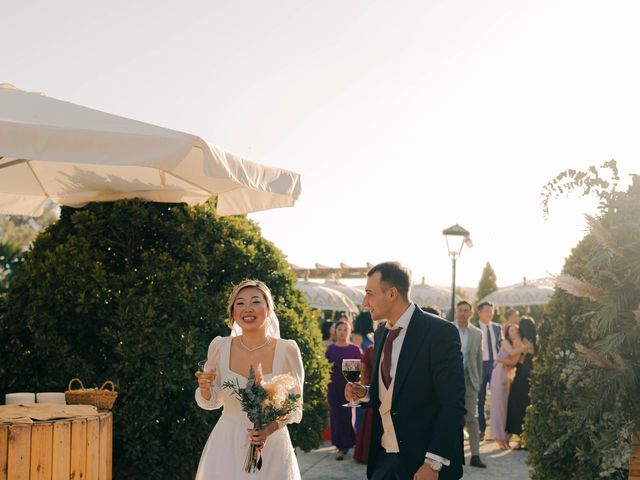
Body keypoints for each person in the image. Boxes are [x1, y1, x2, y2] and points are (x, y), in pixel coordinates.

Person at [345, 261, 465, 480]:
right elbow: (394, 391)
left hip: (423, 464)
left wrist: (433, 463)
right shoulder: (382, 333)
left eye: (369, 294)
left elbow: (453, 403)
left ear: (392, 293)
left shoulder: (440, 333)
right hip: (383, 461)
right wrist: (365, 393)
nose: (364, 302)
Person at [194, 279, 304, 480]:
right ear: (233, 311)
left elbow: (295, 406)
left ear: (268, 308)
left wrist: (268, 430)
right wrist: (204, 388)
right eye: (240, 303)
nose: (247, 309)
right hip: (226, 444)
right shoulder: (219, 347)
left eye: (255, 302)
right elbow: (213, 401)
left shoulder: (287, 350)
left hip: (272, 448)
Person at [453, 300, 486, 468]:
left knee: (472, 418)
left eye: (466, 310)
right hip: (451, 380)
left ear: (471, 313)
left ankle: (475, 455)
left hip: (470, 380)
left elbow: (479, 359)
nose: (463, 313)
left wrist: (478, 381)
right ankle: (454, 455)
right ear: (456, 312)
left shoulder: (477, 333)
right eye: (460, 310)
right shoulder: (448, 328)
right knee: (452, 418)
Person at [325, 316, 363, 460]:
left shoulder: (354, 349)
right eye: (340, 329)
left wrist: (357, 387)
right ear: (335, 331)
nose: (342, 332)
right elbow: (326, 368)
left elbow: (360, 370)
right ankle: (340, 447)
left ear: (350, 331)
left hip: (349, 386)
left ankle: (348, 443)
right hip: (333, 387)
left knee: (348, 416)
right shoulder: (331, 349)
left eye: (345, 329)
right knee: (335, 417)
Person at [489, 324, 531, 450]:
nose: (514, 332)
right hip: (499, 374)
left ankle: (504, 437)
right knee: (498, 406)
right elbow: (512, 354)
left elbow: (514, 362)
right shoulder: (505, 342)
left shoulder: (516, 345)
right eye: (512, 330)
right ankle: (498, 437)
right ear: (507, 333)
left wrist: (502, 359)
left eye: (516, 330)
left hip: (508, 375)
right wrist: (525, 347)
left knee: (505, 407)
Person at [506, 316, 537, 449]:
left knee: (517, 406)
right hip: (533, 378)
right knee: (529, 406)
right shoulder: (536, 342)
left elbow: (520, 361)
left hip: (522, 378)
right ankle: (528, 439)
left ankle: (521, 440)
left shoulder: (522, 341)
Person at [475, 301, 502, 441]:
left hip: (495, 365)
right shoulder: (474, 328)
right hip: (480, 366)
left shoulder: (498, 328)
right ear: (479, 312)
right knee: (481, 399)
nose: (489, 313)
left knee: (498, 398)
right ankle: (481, 430)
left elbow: (501, 346)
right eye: (486, 310)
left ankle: (498, 431)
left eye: (491, 311)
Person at [353, 343, 375, 463]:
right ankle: (366, 455)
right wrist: (361, 390)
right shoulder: (370, 349)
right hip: (371, 390)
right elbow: (363, 369)